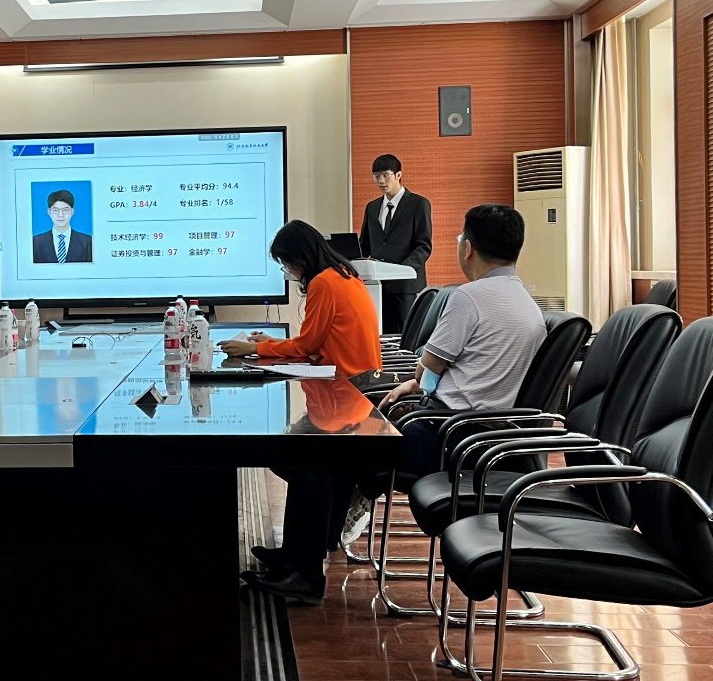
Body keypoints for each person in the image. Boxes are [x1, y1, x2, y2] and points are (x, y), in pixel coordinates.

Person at [220, 220, 382, 606]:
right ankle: (296, 552)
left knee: (302, 461)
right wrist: (272, 345)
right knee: (299, 456)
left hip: (344, 390)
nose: (288, 272)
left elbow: (307, 345)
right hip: (354, 388)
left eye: (285, 264)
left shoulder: (325, 281)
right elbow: (314, 342)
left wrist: (256, 350)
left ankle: (306, 572)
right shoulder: (343, 274)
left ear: (299, 258)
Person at [378, 203, 546, 477]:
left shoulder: (469, 297)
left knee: (349, 448)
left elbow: (427, 370)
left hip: (448, 435)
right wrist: (419, 386)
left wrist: (418, 384)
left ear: (468, 248)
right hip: (488, 440)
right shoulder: (531, 306)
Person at [358, 154, 432, 334]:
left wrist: (401, 270)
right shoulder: (372, 207)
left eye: (386, 175)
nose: (381, 181)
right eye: (376, 176)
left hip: (404, 286)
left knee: (404, 337)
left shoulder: (418, 204)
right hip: (376, 285)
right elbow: (364, 245)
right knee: (378, 335)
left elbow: (424, 246)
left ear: (398, 175)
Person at [32, 189, 93, 263]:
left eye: (65, 210)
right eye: (55, 210)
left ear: (72, 212)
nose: (60, 215)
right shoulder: (36, 242)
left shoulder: (87, 242)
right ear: (49, 212)